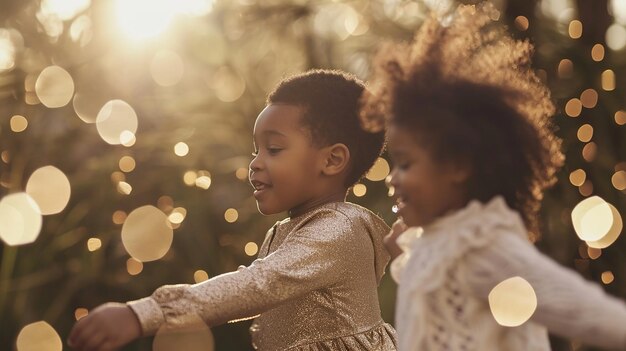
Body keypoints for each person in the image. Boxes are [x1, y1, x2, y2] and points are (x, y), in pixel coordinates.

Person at [68, 69, 397, 351]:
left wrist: (145, 313)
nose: (255, 163)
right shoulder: (287, 231)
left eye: (274, 149)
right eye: (256, 150)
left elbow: (257, 284)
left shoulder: (338, 230)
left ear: (332, 160)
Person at [360, 4, 626, 350]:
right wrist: (405, 260)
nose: (392, 178)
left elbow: (589, 313)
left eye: (407, 163)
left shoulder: (483, 247)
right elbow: (441, 292)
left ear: (459, 166)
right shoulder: (437, 244)